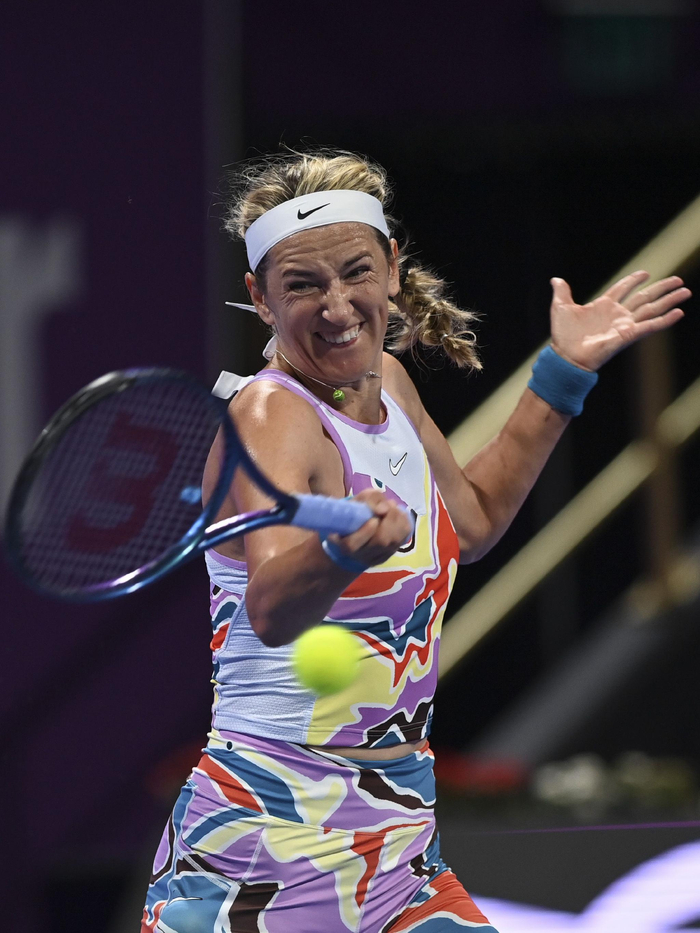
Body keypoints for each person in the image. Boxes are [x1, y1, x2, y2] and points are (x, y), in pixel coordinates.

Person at [141, 149, 690, 933]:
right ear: (260, 298)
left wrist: (564, 370)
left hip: (397, 841)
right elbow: (270, 604)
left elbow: (475, 519)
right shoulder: (270, 415)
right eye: (302, 284)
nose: (337, 306)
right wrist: (344, 551)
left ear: (393, 268)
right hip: (263, 847)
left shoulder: (390, 385)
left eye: (356, 272)